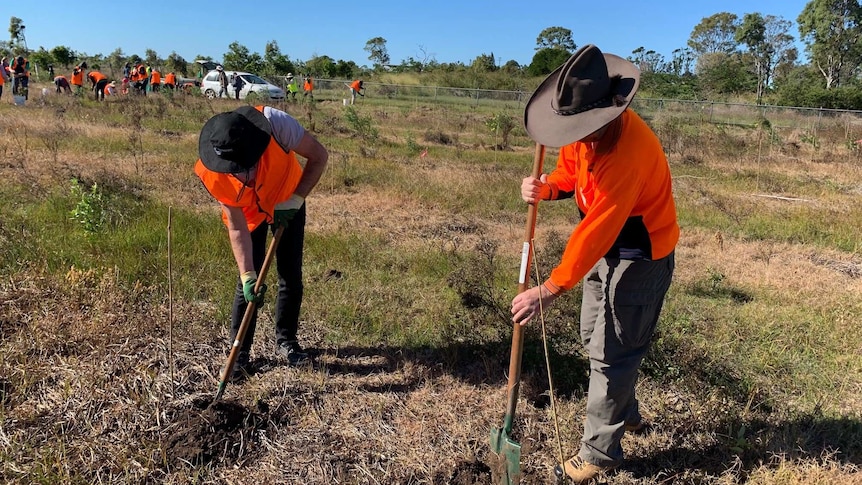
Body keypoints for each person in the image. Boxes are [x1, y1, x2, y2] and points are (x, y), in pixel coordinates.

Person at [509, 44, 679, 484]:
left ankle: (600, 453)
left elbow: (595, 231)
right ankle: (625, 409)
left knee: (611, 352)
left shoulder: (627, 153)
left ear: (607, 114)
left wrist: (548, 289)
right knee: (593, 334)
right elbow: (570, 175)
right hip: (606, 249)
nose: (577, 137)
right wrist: (545, 188)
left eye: (583, 129)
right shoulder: (582, 135)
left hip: (640, 254)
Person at [194, 105, 329, 380]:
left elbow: (319, 156)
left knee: (290, 274)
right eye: (235, 171)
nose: (245, 176)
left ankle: (287, 341)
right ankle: (240, 354)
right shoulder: (211, 171)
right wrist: (247, 275)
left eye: (247, 166)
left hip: (288, 197)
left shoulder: (278, 126)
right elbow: (235, 225)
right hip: (249, 214)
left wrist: (296, 199)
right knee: (248, 280)